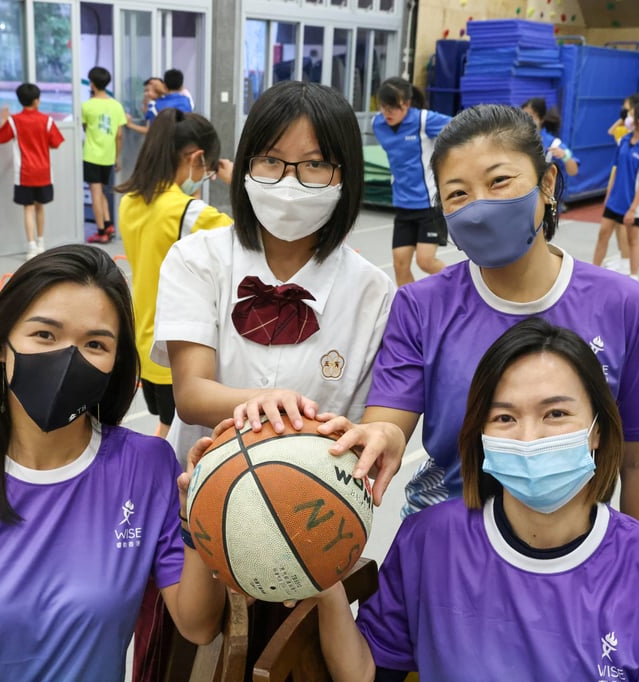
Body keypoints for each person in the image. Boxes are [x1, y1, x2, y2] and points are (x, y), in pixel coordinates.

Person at [0, 245, 226, 681]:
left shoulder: (146, 467)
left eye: (95, 343)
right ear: (0, 345)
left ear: (115, 363)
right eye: (45, 335)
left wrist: (201, 508)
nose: (68, 358)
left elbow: (198, 624)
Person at [333, 104, 639, 536]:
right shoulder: (420, 306)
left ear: (547, 182)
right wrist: (381, 437)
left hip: (574, 551)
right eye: (458, 194)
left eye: (499, 181)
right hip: (448, 547)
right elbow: (387, 422)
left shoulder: (624, 305)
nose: (479, 208)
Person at [316, 319, 639, 681]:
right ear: (481, 435)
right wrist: (322, 578)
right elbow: (369, 671)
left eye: (556, 415)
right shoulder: (428, 541)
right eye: (505, 418)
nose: (530, 438)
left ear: (598, 430)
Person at [150, 79, 396, 676]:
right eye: (271, 160)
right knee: (198, 644)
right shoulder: (197, 259)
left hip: (311, 518)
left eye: (315, 165)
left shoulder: (373, 291)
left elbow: (365, 427)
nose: (290, 182)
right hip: (207, 511)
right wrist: (270, 400)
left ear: (345, 176)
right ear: (245, 162)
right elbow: (191, 395)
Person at [116, 109, 234, 439]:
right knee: (176, 435)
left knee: (167, 423)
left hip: (143, 342)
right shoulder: (191, 214)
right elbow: (254, 241)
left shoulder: (130, 201)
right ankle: (153, 486)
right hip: (179, 348)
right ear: (196, 158)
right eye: (207, 171)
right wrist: (237, 180)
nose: (206, 178)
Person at [373, 77, 452, 287]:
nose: (387, 112)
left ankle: (459, 288)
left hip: (429, 206)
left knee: (425, 261)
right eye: (383, 106)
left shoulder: (424, 120)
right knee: (400, 265)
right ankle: (408, 308)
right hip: (403, 205)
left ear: (407, 104)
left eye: (393, 107)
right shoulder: (378, 124)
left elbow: (461, 127)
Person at [592, 102, 639, 281]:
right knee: (603, 234)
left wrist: (633, 209)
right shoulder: (624, 141)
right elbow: (616, 168)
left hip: (633, 204)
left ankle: (634, 277)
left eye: (630, 115)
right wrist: (609, 194)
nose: (627, 118)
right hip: (616, 199)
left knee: (632, 239)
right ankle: (593, 272)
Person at [0, 82, 65, 260]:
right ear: (37, 101)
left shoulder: (14, 121)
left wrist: (3, 120)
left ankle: (31, 247)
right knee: (40, 208)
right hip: (43, 172)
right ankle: (42, 244)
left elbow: (1, 138)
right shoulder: (47, 120)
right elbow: (56, 144)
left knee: (28, 208)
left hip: (24, 173)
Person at [82, 66, 127, 244]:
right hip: (109, 156)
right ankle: (108, 224)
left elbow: (85, 128)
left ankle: (101, 231)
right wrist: (117, 157)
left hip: (92, 155)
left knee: (95, 192)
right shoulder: (116, 106)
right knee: (102, 192)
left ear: (92, 84)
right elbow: (119, 135)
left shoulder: (86, 106)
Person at [604, 93, 639, 270]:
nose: (624, 111)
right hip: (617, 173)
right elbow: (610, 131)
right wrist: (623, 119)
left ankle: (626, 260)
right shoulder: (624, 132)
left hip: (629, 179)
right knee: (615, 223)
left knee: (624, 225)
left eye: (628, 108)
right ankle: (623, 257)